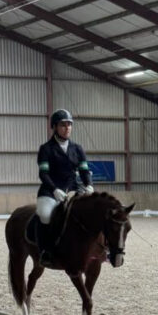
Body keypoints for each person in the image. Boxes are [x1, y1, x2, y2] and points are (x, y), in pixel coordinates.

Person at [35, 108, 93, 267]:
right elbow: (43, 174)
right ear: (54, 127)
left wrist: (89, 185)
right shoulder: (46, 149)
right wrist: (54, 189)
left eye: (69, 125)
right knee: (45, 215)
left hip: (73, 188)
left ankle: (99, 248)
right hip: (50, 190)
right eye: (63, 125)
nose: (67, 128)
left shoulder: (78, 149)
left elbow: (84, 170)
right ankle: (45, 251)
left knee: (92, 210)